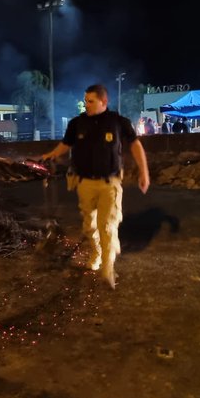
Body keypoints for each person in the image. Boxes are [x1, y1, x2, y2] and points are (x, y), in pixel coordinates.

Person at [41, 84, 150, 289]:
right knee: (89, 226)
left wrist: (144, 172)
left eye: (90, 101)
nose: (86, 105)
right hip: (84, 183)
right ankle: (97, 252)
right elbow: (66, 143)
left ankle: (108, 268)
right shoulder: (77, 123)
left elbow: (135, 145)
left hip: (110, 183)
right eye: (85, 101)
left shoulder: (118, 122)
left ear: (103, 102)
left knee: (107, 226)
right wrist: (52, 154)